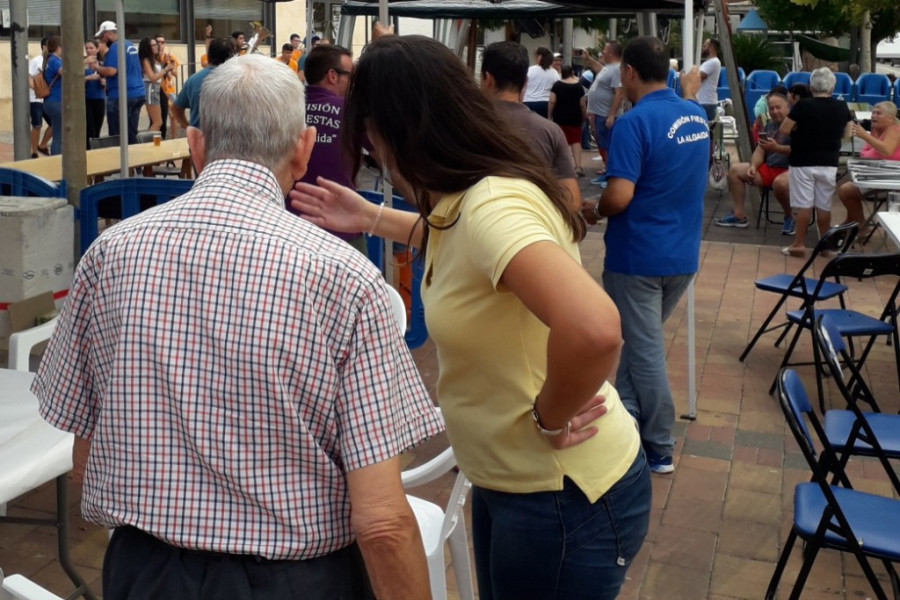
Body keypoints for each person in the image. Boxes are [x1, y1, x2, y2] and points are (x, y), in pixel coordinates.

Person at [32, 53, 442, 600]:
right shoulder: (347, 278)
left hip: (145, 571)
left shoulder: (111, 254)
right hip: (299, 581)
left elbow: (84, 454)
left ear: (196, 146)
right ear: (302, 148)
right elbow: (383, 522)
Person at [290, 34, 649, 600]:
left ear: (396, 133)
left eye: (371, 139)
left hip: (561, 493)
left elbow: (596, 327)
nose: (374, 157)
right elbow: (469, 256)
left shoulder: (489, 205)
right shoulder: (464, 199)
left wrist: (550, 417)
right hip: (510, 482)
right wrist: (373, 217)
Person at [582, 37, 709, 475]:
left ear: (629, 72)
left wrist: (593, 209)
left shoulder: (633, 124)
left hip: (638, 256)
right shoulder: (696, 115)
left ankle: (659, 443)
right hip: (682, 255)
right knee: (642, 343)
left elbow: (618, 195)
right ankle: (630, 422)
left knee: (646, 351)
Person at [481, 41, 582, 212]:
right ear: (524, 82)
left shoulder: (464, 125)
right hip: (533, 225)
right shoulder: (551, 132)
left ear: (488, 79)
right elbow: (571, 201)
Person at [288, 44, 366, 253]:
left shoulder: (284, 108)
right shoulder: (350, 110)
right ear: (332, 75)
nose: (352, 84)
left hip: (291, 229)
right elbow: (381, 153)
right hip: (342, 230)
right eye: (350, 76)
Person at [780, 67, 852, 257]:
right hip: (828, 161)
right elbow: (847, 134)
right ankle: (825, 246)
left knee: (803, 205)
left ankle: (799, 244)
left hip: (802, 160)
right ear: (832, 87)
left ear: (811, 87)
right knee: (823, 205)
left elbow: (785, 129)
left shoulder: (803, 106)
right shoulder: (842, 107)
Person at [716, 92, 793, 234]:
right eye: (771, 108)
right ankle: (739, 215)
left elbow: (800, 150)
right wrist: (753, 166)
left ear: (788, 107)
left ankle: (790, 216)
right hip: (769, 168)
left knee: (780, 183)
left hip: (790, 170)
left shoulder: (795, 126)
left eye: (778, 107)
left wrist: (777, 148)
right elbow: (759, 151)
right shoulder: (769, 127)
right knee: (735, 170)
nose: (774, 111)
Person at [838, 101, 900, 232]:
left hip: (891, 183)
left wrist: (864, 136)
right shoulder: (876, 129)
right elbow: (866, 152)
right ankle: (855, 222)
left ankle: (860, 226)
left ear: (890, 119)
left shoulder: (894, 130)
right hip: (875, 176)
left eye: (879, 113)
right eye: (873, 112)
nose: (874, 116)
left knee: (846, 191)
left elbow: (887, 151)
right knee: (847, 189)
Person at [94, 21, 146, 144]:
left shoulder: (115, 47)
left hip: (122, 95)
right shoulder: (129, 45)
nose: (101, 40)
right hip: (137, 93)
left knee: (118, 136)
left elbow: (111, 71)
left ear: (107, 34)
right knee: (131, 132)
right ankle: (134, 160)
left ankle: (121, 161)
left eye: (102, 37)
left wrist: (97, 67)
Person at [172, 38, 234, 130]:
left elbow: (176, 108)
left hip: (199, 139)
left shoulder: (193, 80)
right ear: (231, 57)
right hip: (229, 140)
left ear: (208, 57)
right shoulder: (237, 80)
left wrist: (186, 125)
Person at [586, 41, 624, 179]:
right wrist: (589, 59)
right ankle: (608, 170)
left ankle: (611, 173)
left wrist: (611, 115)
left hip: (605, 114)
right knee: (603, 143)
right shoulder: (609, 68)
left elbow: (619, 93)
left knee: (608, 145)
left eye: (605, 50)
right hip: (600, 113)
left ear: (612, 53)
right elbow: (599, 68)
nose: (603, 52)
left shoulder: (617, 69)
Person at [549, 65, 587, 177]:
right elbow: (582, 104)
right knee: (576, 141)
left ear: (561, 72)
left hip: (559, 117)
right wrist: (583, 116)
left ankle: (558, 166)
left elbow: (552, 102)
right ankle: (578, 166)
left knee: (559, 141)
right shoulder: (579, 86)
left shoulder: (556, 85)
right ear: (571, 73)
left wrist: (549, 115)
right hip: (575, 117)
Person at [139, 37, 170, 132]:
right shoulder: (146, 60)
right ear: (147, 47)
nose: (157, 46)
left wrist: (164, 62)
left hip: (155, 88)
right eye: (153, 45)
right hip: (151, 88)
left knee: (158, 122)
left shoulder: (153, 60)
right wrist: (166, 69)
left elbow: (156, 70)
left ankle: (152, 142)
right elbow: (152, 78)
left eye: (156, 44)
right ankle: (146, 143)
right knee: (157, 122)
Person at [28, 37, 53, 157]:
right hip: (36, 99)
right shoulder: (36, 61)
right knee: (37, 125)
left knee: (55, 123)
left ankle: (42, 145)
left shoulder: (53, 61)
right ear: (44, 47)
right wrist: (38, 90)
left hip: (49, 98)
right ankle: (34, 152)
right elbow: (28, 77)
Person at [41, 35, 64, 156]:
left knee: (58, 133)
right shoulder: (55, 61)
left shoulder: (49, 59)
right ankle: (56, 160)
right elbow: (65, 72)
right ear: (58, 48)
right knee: (58, 137)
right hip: (56, 101)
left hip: (50, 101)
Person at [522, 46, 559, 118]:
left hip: (528, 102)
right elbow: (556, 90)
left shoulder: (529, 70)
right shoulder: (554, 72)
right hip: (545, 103)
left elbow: (522, 86)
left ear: (539, 56)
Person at [84, 40, 106, 145]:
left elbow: (109, 80)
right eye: (87, 48)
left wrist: (104, 82)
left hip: (99, 98)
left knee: (97, 129)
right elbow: (73, 80)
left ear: (97, 49)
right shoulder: (83, 63)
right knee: (89, 129)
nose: (88, 50)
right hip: (86, 99)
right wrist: (88, 77)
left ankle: (95, 151)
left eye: (91, 48)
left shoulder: (102, 63)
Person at [156, 34, 178, 139]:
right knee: (160, 118)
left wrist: (172, 67)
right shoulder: (154, 58)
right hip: (159, 90)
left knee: (174, 116)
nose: (160, 44)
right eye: (158, 42)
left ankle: (174, 139)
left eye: (162, 42)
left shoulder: (170, 57)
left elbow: (175, 74)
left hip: (169, 91)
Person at [698, 38, 721, 123]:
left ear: (711, 47)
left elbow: (698, 77)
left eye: (704, 46)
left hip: (706, 102)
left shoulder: (714, 62)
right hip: (704, 101)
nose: (702, 48)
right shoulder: (709, 62)